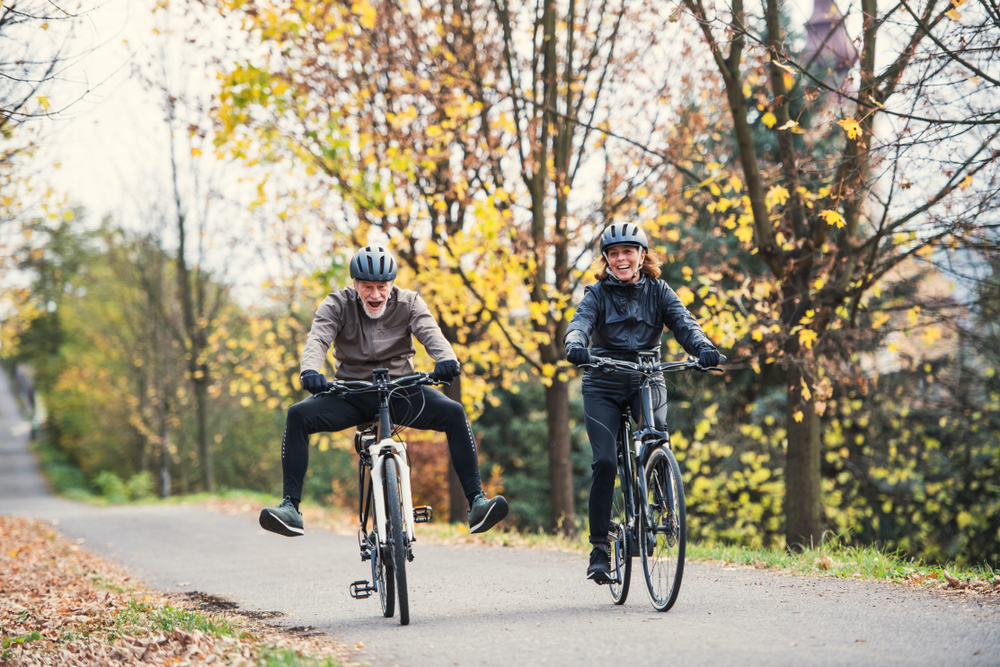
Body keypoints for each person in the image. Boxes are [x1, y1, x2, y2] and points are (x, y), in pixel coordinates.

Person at [259, 245, 509, 537]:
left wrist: (447, 360)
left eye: (382, 286)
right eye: (367, 286)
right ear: (355, 285)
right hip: (351, 394)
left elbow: (431, 333)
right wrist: (310, 371)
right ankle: (291, 507)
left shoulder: (409, 302)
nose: (375, 294)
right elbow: (318, 338)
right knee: (298, 414)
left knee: (454, 412)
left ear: (391, 284)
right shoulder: (336, 304)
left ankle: (476, 502)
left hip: (401, 392)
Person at [564, 223, 721, 584]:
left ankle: (662, 504)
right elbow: (580, 323)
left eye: (628, 252)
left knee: (656, 434)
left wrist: (704, 348)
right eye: (613, 253)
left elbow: (685, 324)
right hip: (602, 382)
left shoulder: (659, 291)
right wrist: (575, 344)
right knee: (605, 462)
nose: (621, 259)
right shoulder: (596, 294)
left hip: (647, 378)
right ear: (606, 259)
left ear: (641, 255)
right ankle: (599, 549)